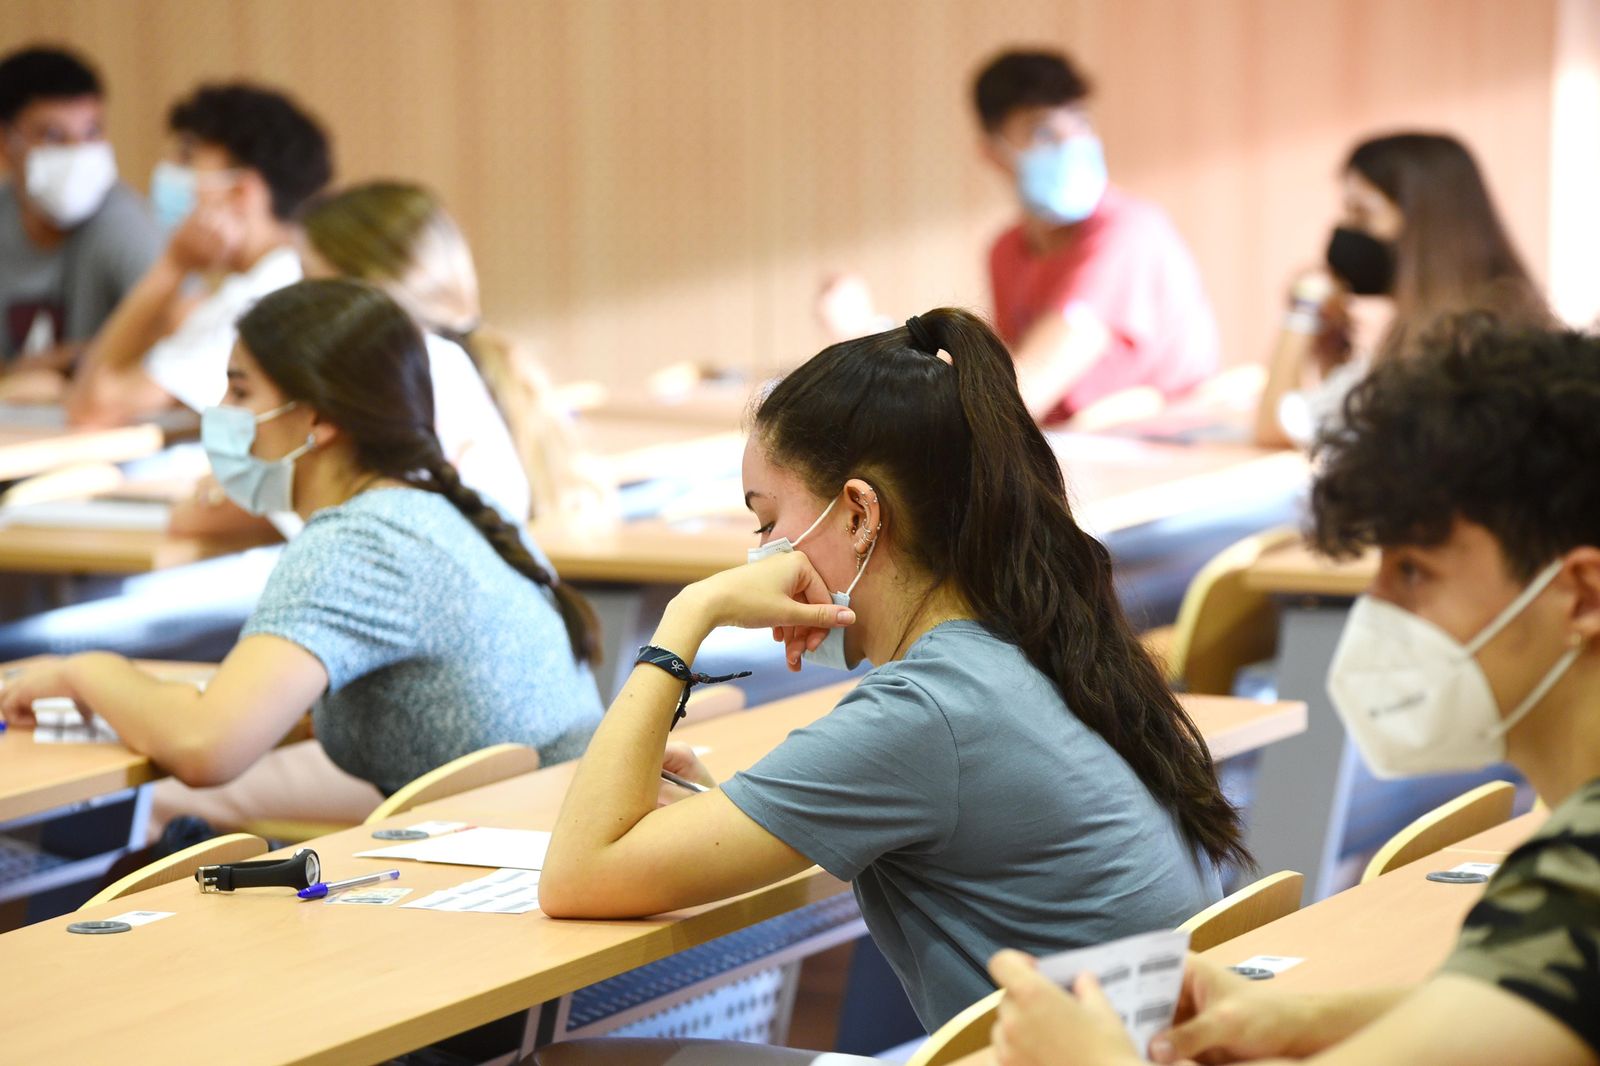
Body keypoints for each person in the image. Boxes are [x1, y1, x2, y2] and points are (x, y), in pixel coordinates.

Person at [540, 308, 1245, 1030]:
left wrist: (693, 610)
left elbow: (576, 877)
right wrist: (732, 815)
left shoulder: (927, 712)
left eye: (767, 522)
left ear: (858, 515)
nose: (759, 555)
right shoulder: (1037, 641)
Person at [981, 317, 1600, 1066]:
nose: (1375, 609)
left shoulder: (1579, 878)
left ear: (1580, 595)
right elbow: (1524, 1001)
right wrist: (1295, 1020)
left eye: (1413, 572)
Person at [0, 279, 604, 796]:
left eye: (241, 391)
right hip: (543, 834)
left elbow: (205, 747)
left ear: (318, 417)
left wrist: (84, 672)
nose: (220, 412)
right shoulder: (429, 509)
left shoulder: (357, 542)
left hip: (524, 860)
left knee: (160, 833)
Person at [822, 51, 1219, 427]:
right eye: (1043, 131)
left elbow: (1018, 396)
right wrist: (877, 339)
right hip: (1073, 446)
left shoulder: (1128, 235)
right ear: (993, 152)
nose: (1070, 144)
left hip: (1166, 453)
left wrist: (870, 342)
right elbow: (997, 381)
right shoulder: (1006, 251)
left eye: (1080, 123)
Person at [298, 181, 611, 523]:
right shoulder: (474, 362)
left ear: (363, 285)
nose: (299, 301)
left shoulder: (418, 373)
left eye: (309, 279)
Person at [1255, 132, 1549, 448]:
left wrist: (1303, 308)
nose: (1349, 231)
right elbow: (1348, 425)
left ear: (1424, 221)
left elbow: (1276, 427)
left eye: (1362, 213)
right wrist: (1332, 350)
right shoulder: (1497, 313)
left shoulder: (1444, 346)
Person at [64, 82, 332, 425]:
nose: (173, 174)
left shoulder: (258, 301)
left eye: (188, 159)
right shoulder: (277, 280)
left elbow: (91, 409)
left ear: (241, 191)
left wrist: (172, 266)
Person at [0, 46, 160, 393]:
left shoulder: (124, 221)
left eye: (91, 133)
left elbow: (184, 333)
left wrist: (64, 360)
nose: (77, 152)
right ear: (5, 143)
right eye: (53, 136)